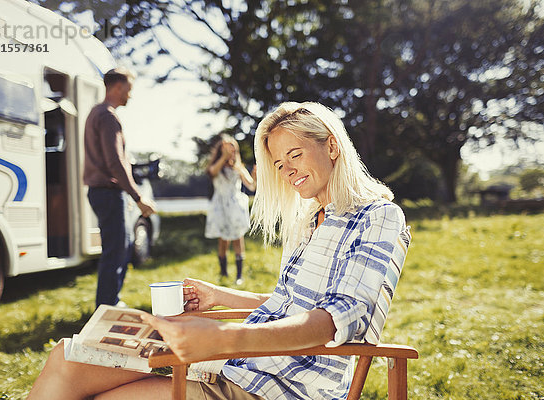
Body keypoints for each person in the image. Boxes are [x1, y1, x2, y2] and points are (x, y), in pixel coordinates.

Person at [27, 101, 407, 400]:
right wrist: (218, 297)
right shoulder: (311, 219)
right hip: (234, 364)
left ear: (332, 146)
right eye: (279, 163)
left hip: (273, 386)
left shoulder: (377, 216)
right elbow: (289, 303)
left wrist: (223, 337)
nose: (287, 171)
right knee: (67, 356)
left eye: (296, 155)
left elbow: (337, 320)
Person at [83, 67, 157, 308]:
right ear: (117, 87)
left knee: (120, 246)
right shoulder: (108, 116)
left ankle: (109, 302)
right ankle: (107, 306)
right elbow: (115, 162)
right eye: (129, 89)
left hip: (102, 193)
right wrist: (138, 197)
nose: (130, 95)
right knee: (116, 250)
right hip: (107, 193)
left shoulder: (97, 112)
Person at [204, 134, 256, 285]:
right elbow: (212, 172)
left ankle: (239, 275)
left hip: (235, 206)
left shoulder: (238, 168)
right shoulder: (217, 167)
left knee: (238, 238)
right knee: (223, 240)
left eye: (232, 149)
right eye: (226, 149)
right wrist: (223, 158)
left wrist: (255, 177)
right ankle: (224, 272)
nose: (230, 152)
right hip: (220, 207)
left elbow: (251, 186)